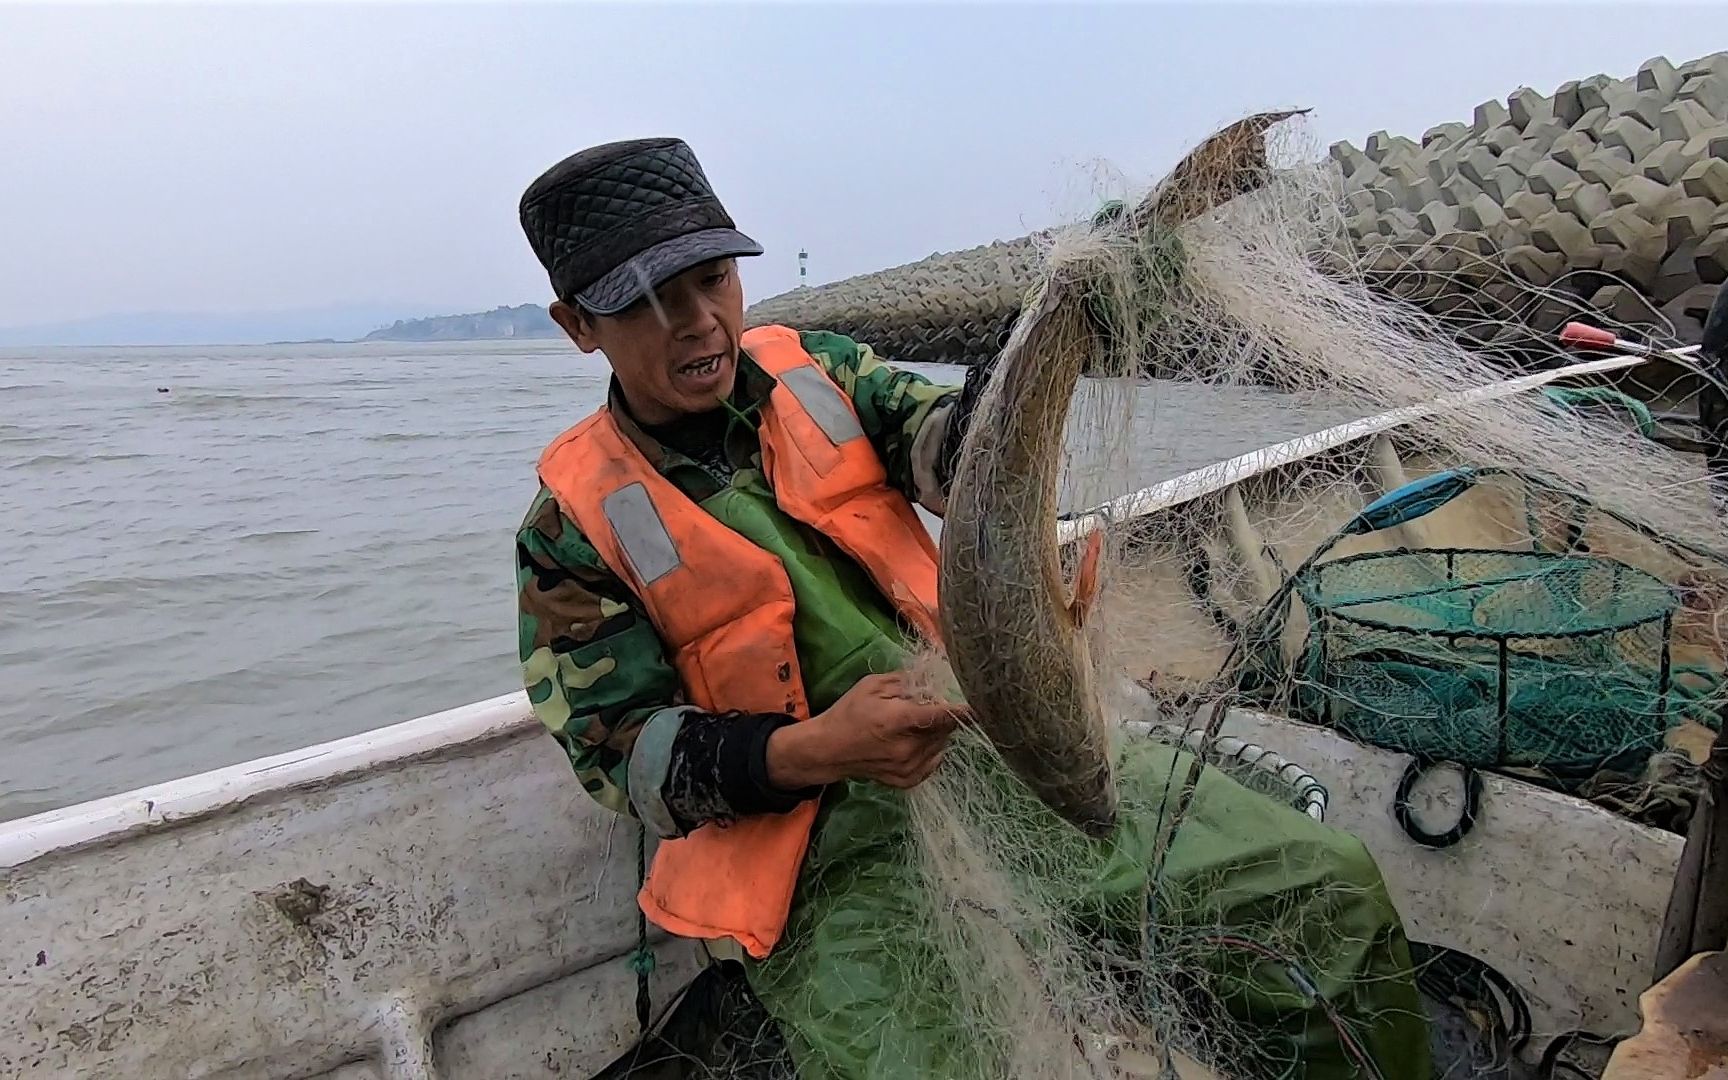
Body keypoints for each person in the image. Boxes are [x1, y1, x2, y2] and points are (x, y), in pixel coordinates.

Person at [515, 137, 1431, 1079]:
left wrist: (1060, 317)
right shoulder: (570, 528)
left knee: (1328, 893)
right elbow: (624, 757)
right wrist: (818, 748)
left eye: (712, 280)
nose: (697, 323)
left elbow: (957, 453)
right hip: (819, 854)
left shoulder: (820, 374)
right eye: (645, 304)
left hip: (998, 744)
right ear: (577, 325)